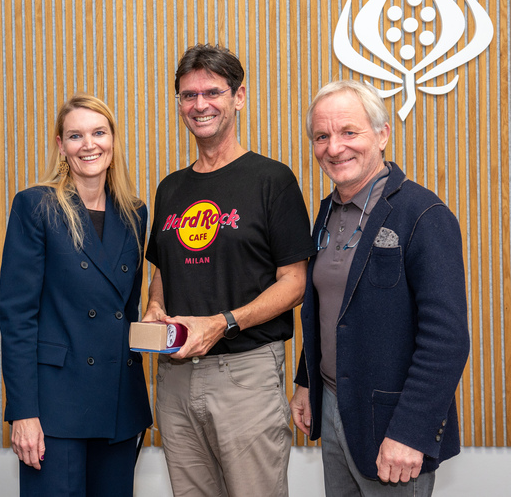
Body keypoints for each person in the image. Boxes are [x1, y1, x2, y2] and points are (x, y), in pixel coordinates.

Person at [142, 44, 315, 497]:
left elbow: (295, 282)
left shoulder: (272, 180)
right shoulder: (170, 188)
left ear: (239, 97)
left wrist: (223, 323)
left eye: (212, 92)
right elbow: (163, 266)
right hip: (175, 377)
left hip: (246, 375)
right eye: (188, 95)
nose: (200, 105)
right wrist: (155, 305)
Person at [289, 80, 470, 496]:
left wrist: (411, 431)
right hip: (333, 405)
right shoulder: (327, 213)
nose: (335, 148)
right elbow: (331, 309)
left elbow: (447, 340)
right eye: (322, 136)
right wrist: (305, 379)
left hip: (393, 422)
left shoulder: (423, 214)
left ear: (382, 134)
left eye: (349, 132)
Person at [0, 93, 152, 496]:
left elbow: (128, 308)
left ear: (113, 141)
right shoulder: (37, 206)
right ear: (61, 146)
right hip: (55, 408)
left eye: (99, 132)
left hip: (119, 404)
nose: (89, 145)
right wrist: (23, 413)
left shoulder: (135, 212)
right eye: (75, 136)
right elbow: (17, 318)